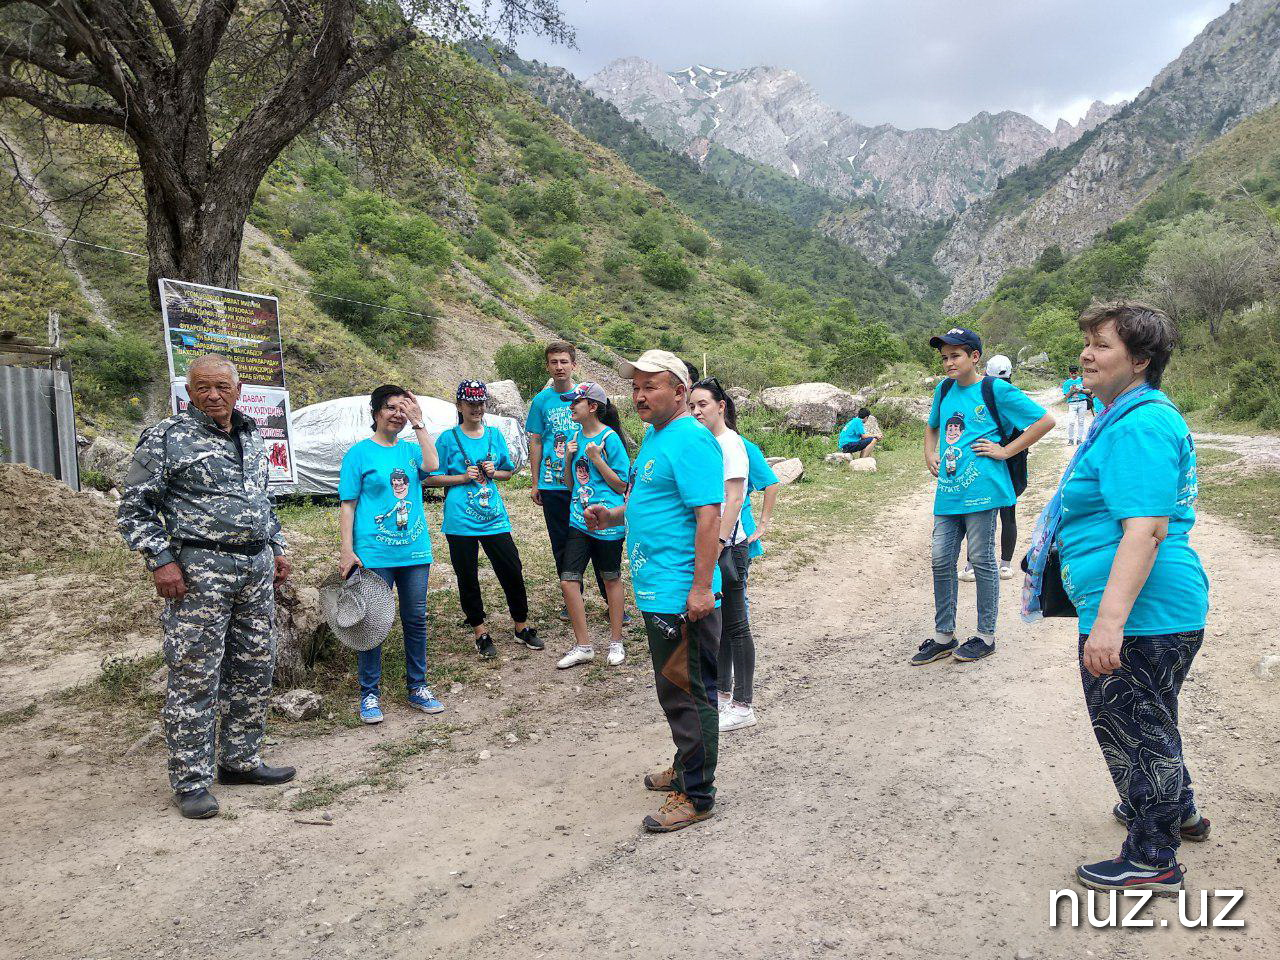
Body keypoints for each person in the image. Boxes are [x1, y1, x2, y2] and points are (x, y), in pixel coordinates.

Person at [1023, 302, 1210, 892]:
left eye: (1102, 345)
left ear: (1140, 361)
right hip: (1153, 611)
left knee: (1134, 730)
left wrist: (1108, 625)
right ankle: (1177, 812)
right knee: (1152, 717)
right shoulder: (1126, 417)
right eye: (1087, 342)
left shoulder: (1140, 425)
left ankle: (1153, 858)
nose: (1086, 353)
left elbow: (1146, 528)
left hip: (1142, 613)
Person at [118, 355, 295, 820]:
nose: (212, 395)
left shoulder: (251, 433)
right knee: (195, 674)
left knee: (254, 664)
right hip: (198, 570)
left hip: (254, 568)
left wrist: (275, 546)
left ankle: (240, 760)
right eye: (202, 387)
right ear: (188, 391)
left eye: (221, 386)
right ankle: (192, 781)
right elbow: (133, 509)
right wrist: (161, 560)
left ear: (238, 389)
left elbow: (261, 498)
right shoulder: (166, 437)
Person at [584, 349, 724, 833]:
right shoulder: (657, 436)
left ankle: (697, 795)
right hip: (658, 588)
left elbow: (710, 516)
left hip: (680, 592)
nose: (639, 395)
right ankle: (687, 767)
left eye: (652, 386)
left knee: (688, 692)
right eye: (636, 386)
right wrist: (614, 515)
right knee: (674, 687)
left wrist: (702, 588)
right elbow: (649, 497)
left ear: (680, 391)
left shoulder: (690, 440)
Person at [914, 329, 1055, 667]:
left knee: (981, 559)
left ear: (974, 357)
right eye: (945, 357)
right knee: (940, 559)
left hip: (983, 494)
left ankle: (985, 636)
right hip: (948, 493)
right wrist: (929, 453)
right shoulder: (944, 389)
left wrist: (1006, 451)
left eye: (955, 356)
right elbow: (933, 426)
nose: (948, 362)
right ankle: (944, 636)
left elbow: (1045, 420)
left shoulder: (995, 389)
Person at [337, 384, 443, 724]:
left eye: (403, 408)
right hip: (373, 554)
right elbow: (348, 506)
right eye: (391, 407)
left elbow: (433, 464)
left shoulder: (410, 451)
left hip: (414, 552)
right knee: (372, 623)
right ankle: (369, 693)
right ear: (376, 412)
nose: (397, 414)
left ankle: (418, 686)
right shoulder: (359, 454)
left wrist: (419, 423)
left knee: (415, 619)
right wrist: (346, 550)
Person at [427, 381, 540, 660]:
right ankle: (480, 631)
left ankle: (521, 626)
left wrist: (494, 471)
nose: (477, 408)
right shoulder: (447, 438)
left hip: (494, 518)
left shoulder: (494, 434)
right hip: (460, 520)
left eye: (481, 403)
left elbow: (507, 472)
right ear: (459, 406)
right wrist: (462, 477)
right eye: (471, 403)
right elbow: (429, 478)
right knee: (468, 576)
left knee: (512, 570)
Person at [525, 341, 616, 620]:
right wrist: (535, 481)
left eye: (564, 361)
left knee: (600, 537)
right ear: (548, 366)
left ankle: (611, 600)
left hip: (589, 483)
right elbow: (537, 442)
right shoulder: (541, 401)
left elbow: (605, 431)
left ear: (574, 364)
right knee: (562, 544)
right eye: (554, 362)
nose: (559, 367)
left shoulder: (586, 396)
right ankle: (572, 598)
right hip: (554, 484)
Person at [689, 377, 758, 734]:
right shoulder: (708, 443)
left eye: (703, 404)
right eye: (692, 405)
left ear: (721, 406)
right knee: (724, 628)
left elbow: (733, 499)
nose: (697, 411)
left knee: (736, 625)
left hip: (730, 547)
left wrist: (717, 545)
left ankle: (744, 704)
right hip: (716, 545)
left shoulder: (730, 443)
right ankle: (724, 694)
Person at [553, 382, 632, 670]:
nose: (571, 406)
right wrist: (569, 459)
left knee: (610, 578)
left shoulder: (609, 439)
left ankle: (616, 642)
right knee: (568, 579)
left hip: (607, 522)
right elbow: (570, 484)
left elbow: (622, 483)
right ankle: (583, 646)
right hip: (578, 519)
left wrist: (597, 458)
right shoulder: (573, 437)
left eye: (576, 402)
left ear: (593, 407)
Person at [960, 354, 1019, 582]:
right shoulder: (1014, 395)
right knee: (1008, 516)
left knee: (980, 515)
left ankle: (971, 566)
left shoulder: (982, 394)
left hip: (985, 462)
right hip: (1011, 465)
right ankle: (1005, 566)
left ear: (985, 373)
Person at [1062, 364, 1094, 445]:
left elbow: (1089, 391)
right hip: (1072, 403)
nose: (1073, 374)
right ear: (1069, 373)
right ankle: (1070, 439)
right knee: (1071, 422)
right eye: (1072, 373)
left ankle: (1079, 439)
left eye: (1075, 372)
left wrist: (1080, 390)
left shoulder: (1083, 380)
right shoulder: (1066, 383)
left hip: (1082, 402)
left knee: (1081, 421)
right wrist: (1072, 391)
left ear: (1077, 372)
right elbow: (1066, 396)